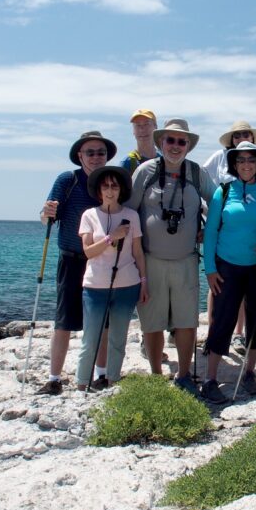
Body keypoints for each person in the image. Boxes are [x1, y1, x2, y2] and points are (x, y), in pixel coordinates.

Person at [127, 119, 216, 396]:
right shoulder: (145, 172)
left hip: (187, 260)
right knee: (151, 320)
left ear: (188, 146)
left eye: (181, 141)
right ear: (160, 142)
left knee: (186, 320)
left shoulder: (196, 173)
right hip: (151, 260)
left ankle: (184, 374)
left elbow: (217, 201)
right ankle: (156, 375)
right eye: (170, 140)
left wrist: (208, 231)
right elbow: (129, 211)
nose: (176, 146)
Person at [37, 130, 116, 395]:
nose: (96, 157)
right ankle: (54, 378)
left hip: (102, 260)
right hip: (72, 259)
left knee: (102, 320)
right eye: (90, 152)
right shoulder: (67, 180)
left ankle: (101, 375)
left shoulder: (110, 181)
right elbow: (48, 216)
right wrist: (45, 213)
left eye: (100, 152)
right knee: (64, 321)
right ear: (80, 155)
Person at [201, 141, 256, 403]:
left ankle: (249, 372)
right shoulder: (222, 192)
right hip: (226, 267)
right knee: (222, 320)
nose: (246, 164)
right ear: (234, 164)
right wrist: (210, 270)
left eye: (252, 160)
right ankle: (211, 379)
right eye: (241, 160)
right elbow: (211, 232)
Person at [76, 167, 147, 390]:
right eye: (105, 186)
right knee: (91, 338)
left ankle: (113, 379)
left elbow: (137, 252)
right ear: (99, 190)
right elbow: (87, 251)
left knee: (119, 338)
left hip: (127, 284)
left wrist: (144, 282)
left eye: (114, 186)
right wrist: (110, 238)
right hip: (95, 286)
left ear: (120, 190)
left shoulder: (131, 216)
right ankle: (82, 383)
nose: (109, 190)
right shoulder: (89, 215)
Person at [202, 120, 256, 187]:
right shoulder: (220, 155)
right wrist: (213, 194)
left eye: (246, 135)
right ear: (232, 139)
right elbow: (202, 175)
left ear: (252, 138)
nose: (241, 138)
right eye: (237, 136)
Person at [121, 109, 159, 174]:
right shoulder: (127, 163)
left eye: (146, 124)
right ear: (133, 131)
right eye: (137, 125)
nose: (142, 129)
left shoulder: (165, 160)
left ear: (155, 127)